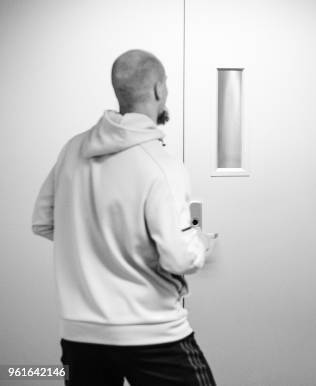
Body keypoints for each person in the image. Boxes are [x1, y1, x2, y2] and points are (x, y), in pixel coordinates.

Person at [32, 49, 215, 386]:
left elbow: (44, 221)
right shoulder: (162, 165)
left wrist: (94, 242)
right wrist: (200, 243)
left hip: (80, 334)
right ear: (159, 90)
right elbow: (178, 257)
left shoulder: (72, 150)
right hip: (151, 332)